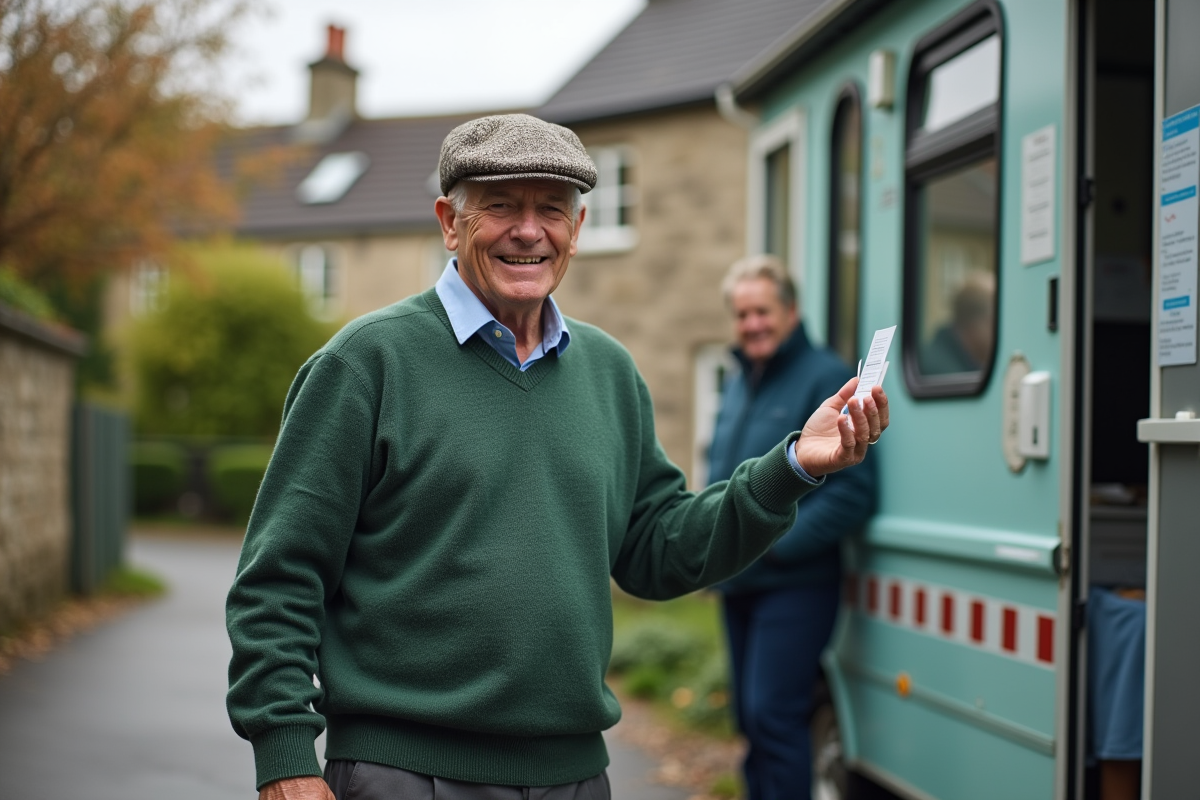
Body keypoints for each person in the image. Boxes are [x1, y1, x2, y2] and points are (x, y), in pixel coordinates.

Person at [225, 114, 889, 800]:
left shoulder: (609, 371)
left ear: (577, 228)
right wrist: (285, 753)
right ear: (449, 222)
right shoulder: (366, 364)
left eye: (551, 208)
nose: (528, 231)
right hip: (402, 774)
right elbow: (279, 578)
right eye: (500, 206)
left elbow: (658, 549)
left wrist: (791, 468)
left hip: (573, 778)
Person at [708, 255, 878, 800]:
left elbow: (854, 493)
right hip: (738, 581)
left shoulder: (825, 377)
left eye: (762, 311)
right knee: (749, 721)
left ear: (791, 312)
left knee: (774, 719)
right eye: (742, 315)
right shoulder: (739, 380)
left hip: (795, 584)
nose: (752, 324)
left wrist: (774, 547)